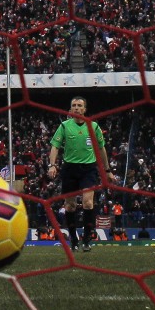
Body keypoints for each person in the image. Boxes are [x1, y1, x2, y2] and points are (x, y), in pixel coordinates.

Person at [47, 97, 116, 252]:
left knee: (88, 203)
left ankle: (87, 238)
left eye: (79, 106)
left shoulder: (94, 127)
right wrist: (52, 165)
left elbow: (101, 149)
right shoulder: (64, 126)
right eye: (74, 106)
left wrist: (107, 170)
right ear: (70, 110)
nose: (76, 108)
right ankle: (73, 239)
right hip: (69, 169)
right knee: (70, 206)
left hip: (88, 169)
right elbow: (55, 146)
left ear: (85, 109)